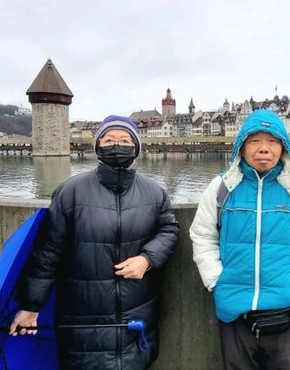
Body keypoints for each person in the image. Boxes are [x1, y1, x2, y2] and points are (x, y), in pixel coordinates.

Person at [10, 115, 179, 370]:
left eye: (124, 140)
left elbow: (169, 229)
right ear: (98, 147)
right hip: (83, 316)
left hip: (137, 313)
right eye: (109, 140)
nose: (116, 145)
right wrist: (31, 306)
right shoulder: (71, 191)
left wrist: (147, 259)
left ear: (136, 147)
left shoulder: (155, 192)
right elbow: (48, 252)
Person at [190, 109, 290, 370]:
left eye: (273, 141)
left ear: (283, 147)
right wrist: (216, 279)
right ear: (241, 147)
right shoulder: (221, 189)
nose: (264, 149)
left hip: (284, 309)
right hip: (235, 311)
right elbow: (202, 235)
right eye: (255, 141)